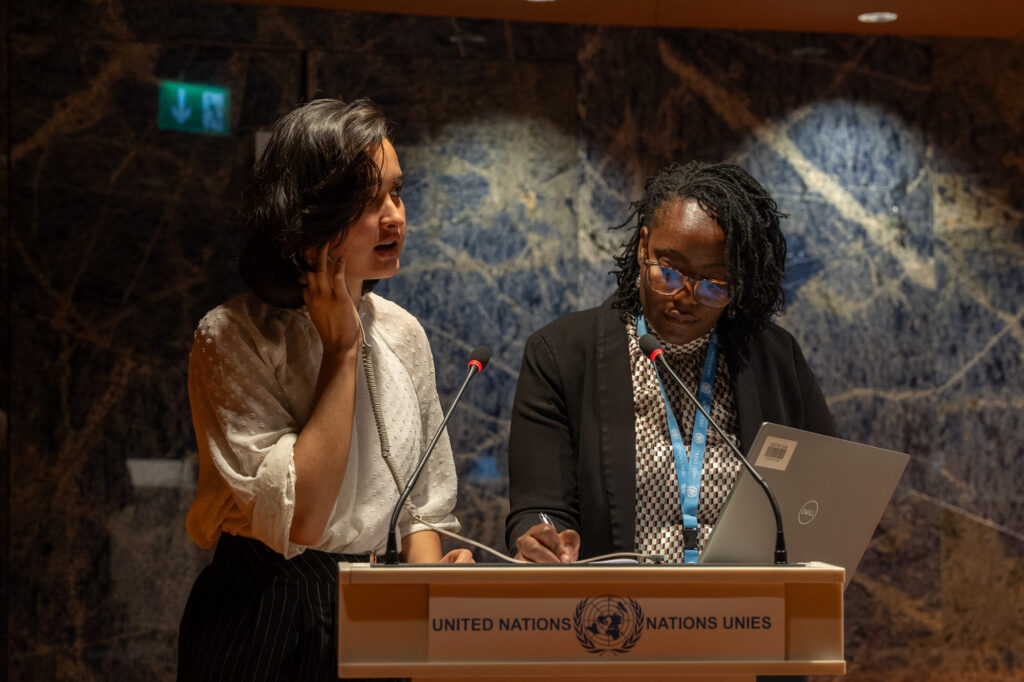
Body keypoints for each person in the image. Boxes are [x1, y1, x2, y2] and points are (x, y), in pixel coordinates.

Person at [178, 98, 472, 682]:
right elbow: (302, 522)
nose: (394, 217)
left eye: (397, 192)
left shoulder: (403, 332)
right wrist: (340, 351)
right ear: (310, 217)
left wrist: (424, 597)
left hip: (382, 602)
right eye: (369, 201)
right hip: (266, 604)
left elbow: (426, 507)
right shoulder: (231, 335)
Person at [505, 160, 835, 567]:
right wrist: (544, 536)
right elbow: (538, 505)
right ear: (644, 247)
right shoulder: (561, 354)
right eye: (670, 271)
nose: (684, 296)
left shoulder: (774, 358)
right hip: (616, 614)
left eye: (714, 284)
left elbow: (826, 493)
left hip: (747, 613)